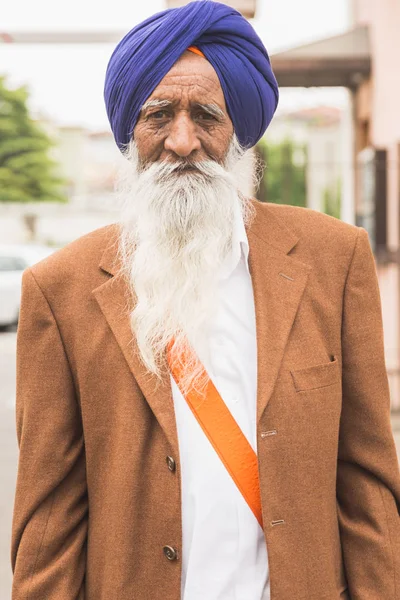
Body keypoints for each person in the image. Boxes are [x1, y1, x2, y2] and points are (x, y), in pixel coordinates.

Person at [11, 1, 400, 599]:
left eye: (207, 115)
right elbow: (50, 522)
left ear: (237, 130)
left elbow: (368, 486)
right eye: (158, 114)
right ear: (129, 133)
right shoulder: (59, 292)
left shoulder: (334, 261)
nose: (183, 140)